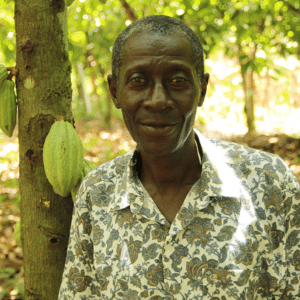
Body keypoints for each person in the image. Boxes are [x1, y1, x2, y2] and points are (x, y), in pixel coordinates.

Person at [58, 15, 300, 299]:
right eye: (138, 80)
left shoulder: (268, 183)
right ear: (115, 92)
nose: (158, 100)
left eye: (177, 80)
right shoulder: (97, 194)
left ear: (202, 89)